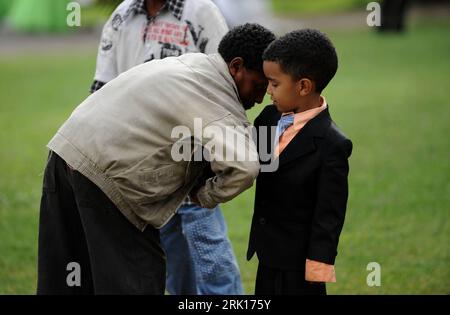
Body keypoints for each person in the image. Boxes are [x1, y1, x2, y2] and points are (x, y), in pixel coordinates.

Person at [37, 23, 276, 295]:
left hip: (66, 152)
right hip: (104, 176)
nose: (261, 97)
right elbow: (244, 167)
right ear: (236, 66)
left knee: (70, 279)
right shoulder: (216, 96)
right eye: (259, 85)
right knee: (137, 280)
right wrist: (204, 196)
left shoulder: (192, 65)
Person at [90, 0, 243, 295]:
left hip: (191, 160)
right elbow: (102, 88)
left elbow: (226, 81)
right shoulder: (122, 15)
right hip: (141, 162)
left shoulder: (200, 11)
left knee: (210, 254)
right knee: (170, 254)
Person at [247, 29, 353, 295]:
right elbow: (248, 157)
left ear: (304, 86)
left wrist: (318, 267)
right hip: (266, 255)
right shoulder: (268, 119)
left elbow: (328, 215)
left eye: (273, 83)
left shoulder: (332, 144)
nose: (267, 90)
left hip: (301, 267)